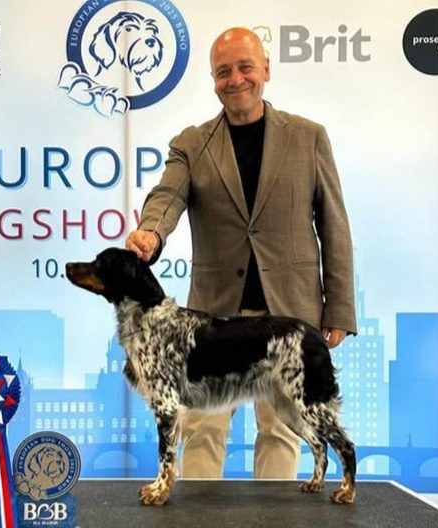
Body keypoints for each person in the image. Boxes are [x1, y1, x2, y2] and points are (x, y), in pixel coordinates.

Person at [125, 27, 356, 479]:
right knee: (201, 429)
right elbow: (167, 197)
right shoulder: (192, 143)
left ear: (265, 69)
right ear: (213, 80)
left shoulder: (309, 137)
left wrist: (340, 309)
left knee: (283, 430)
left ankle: (276, 513)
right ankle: (196, 511)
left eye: (245, 67)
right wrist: (150, 232)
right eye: (223, 71)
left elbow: (334, 226)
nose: (235, 79)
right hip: (213, 318)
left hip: (288, 312)